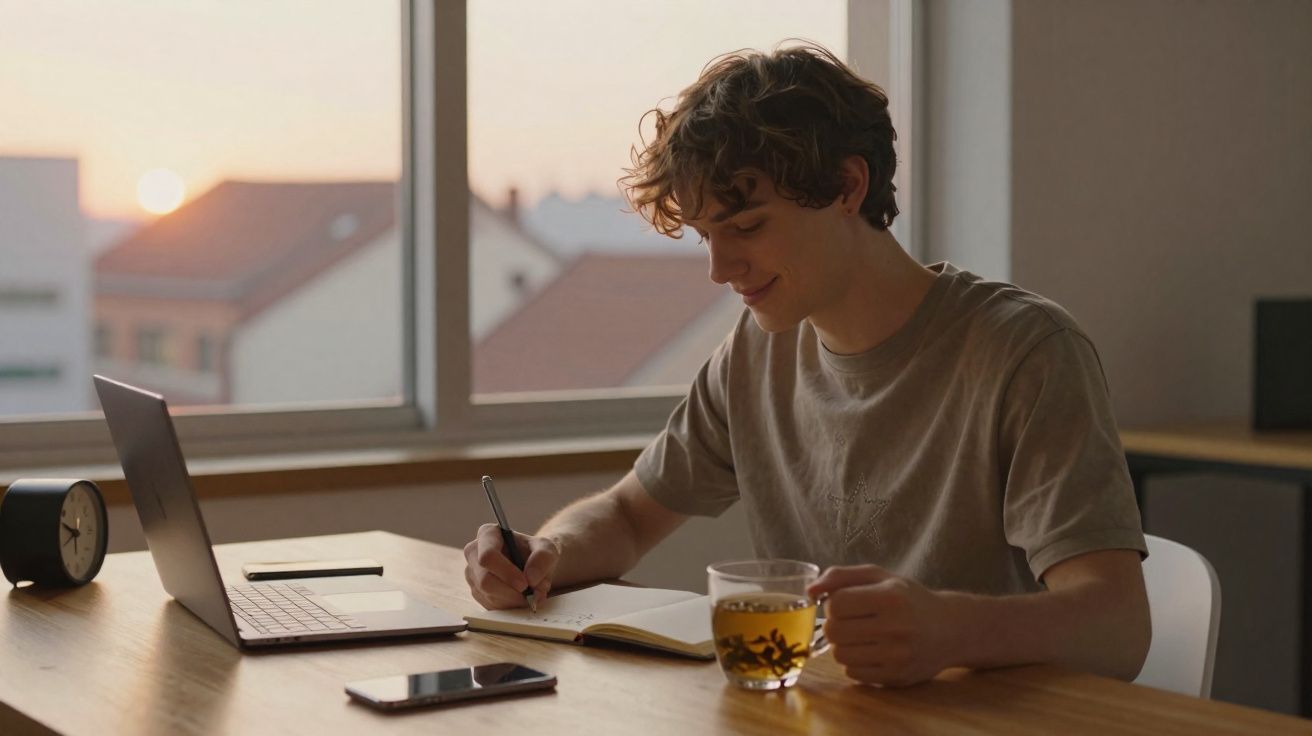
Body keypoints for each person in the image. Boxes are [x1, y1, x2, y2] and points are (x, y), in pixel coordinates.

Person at [463, 43, 1151, 687]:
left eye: (748, 227)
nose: (719, 268)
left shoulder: (1024, 352)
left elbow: (1117, 626)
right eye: (706, 236)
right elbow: (627, 517)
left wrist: (949, 629)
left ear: (848, 186)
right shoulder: (756, 352)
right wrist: (545, 553)